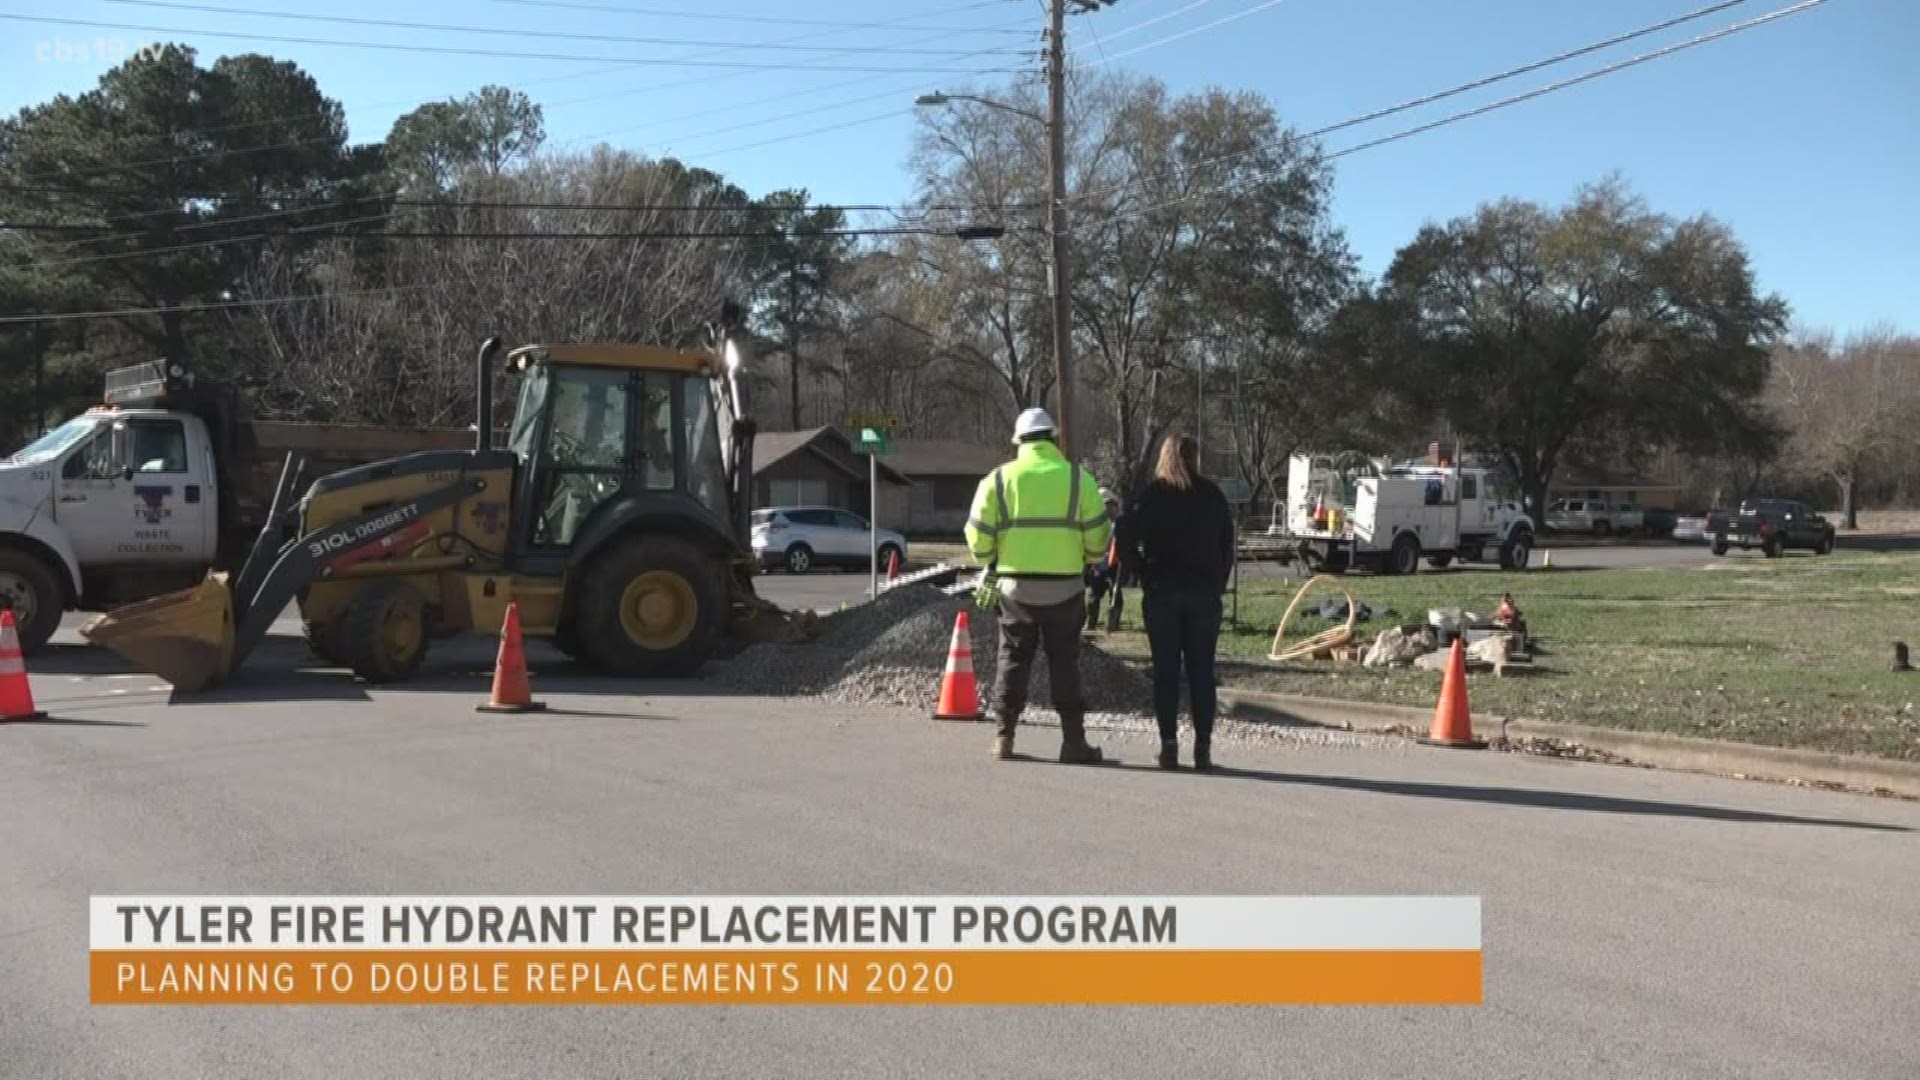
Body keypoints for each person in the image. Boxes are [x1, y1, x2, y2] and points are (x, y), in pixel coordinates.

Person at [965, 407, 1112, 764]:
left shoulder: (998, 480)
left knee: (1013, 659)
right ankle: (1073, 743)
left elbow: (977, 540)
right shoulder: (1079, 479)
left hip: (1016, 590)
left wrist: (991, 559)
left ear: (1018, 441)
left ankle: (1004, 737)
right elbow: (1098, 540)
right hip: (1066, 590)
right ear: (1053, 438)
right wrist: (1085, 558)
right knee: (1065, 663)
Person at [1117, 432, 1235, 771]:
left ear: (1164, 457)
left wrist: (1139, 570)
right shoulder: (1211, 495)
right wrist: (1218, 582)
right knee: (1201, 673)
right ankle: (1203, 747)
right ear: (1195, 458)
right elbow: (1227, 544)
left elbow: (1123, 533)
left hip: (1163, 591)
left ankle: (1169, 745)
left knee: (1166, 673)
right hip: (1203, 594)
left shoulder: (1153, 496)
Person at [1084, 488, 1124, 632]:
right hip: (1098, 563)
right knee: (1094, 595)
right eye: (1106, 505)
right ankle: (1091, 623)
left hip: (1115, 564)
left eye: (1111, 505)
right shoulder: (1094, 522)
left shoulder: (1120, 522)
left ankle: (1113, 624)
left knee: (1116, 595)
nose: (1109, 508)